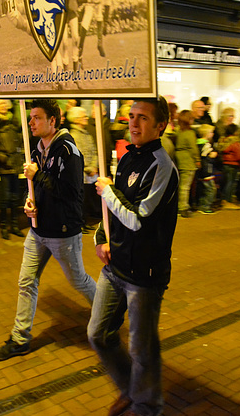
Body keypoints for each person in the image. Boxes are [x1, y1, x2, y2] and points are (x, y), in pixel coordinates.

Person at [88, 97, 179, 416]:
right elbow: (111, 210)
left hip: (145, 274)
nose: (134, 123)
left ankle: (146, 406)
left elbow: (138, 220)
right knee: (98, 334)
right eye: (131, 116)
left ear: (160, 125)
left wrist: (107, 192)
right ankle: (130, 387)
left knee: (143, 351)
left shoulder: (163, 167)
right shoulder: (127, 157)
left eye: (142, 118)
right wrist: (102, 237)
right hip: (115, 267)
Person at [0, 99, 96, 362]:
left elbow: (71, 193)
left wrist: (37, 176)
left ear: (53, 120)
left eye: (36, 117)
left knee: (78, 280)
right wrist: (30, 202)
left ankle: (108, 311)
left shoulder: (69, 152)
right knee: (26, 281)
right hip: (38, 230)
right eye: (30, 118)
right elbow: (41, 190)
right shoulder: (37, 150)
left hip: (62, 232)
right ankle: (20, 338)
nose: (31, 123)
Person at [0, 99, 25, 240]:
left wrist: (20, 155)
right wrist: (5, 159)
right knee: (5, 198)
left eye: (4, 103)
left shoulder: (14, 121)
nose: (2, 106)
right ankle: (4, 226)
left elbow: (21, 140)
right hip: (5, 166)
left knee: (15, 197)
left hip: (15, 164)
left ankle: (14, 225)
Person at [67, 106, 100, 233]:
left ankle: (84, 221)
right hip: (81, 174)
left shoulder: (86, 133)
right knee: (80, 199)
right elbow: (78, 155)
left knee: (86, 198)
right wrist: (89, 168)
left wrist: (94, 165)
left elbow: (94, 150)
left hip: (90, 173)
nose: (86, 118)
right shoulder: (74, 135)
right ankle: (79, 223)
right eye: (83, 116)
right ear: (76, 120)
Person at [174, 110, 199, 218]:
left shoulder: (178, 132)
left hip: (178, 159)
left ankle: (179, 206)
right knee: (185, 186)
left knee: (180, 186)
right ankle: (183, 208)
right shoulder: (190, 133)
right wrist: (197, 160)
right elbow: (194, 149)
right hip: (188, 161)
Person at [195, 124, 218, 213]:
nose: (212, 134)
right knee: (211, 189)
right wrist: (212, 156)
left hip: (201, 171)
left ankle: (200, 204)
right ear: (206, 134)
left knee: (202, 189)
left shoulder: (197, 143)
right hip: (207, 171)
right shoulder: (206, 145)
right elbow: (205, 157)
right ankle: (205, 206)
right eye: (211, 132)